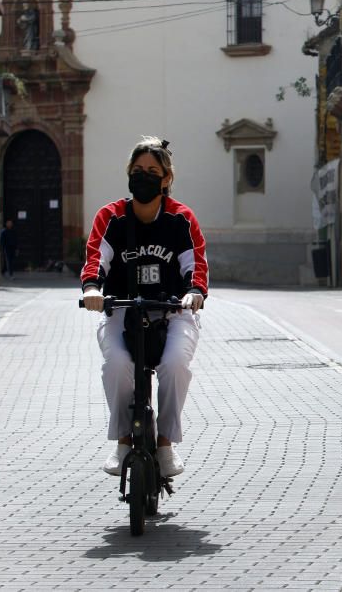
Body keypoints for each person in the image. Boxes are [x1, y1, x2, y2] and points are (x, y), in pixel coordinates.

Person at [80, 136, 208, 477]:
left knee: (175, 365)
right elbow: (96, 258)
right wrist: (92, 288)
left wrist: (194, 291)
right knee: (117, 365)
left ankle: (165, 445)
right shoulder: (110, 217)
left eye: (152, 170)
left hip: (173, 311)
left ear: (166, 178)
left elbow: (195, 265)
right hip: (121, 310)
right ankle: (123, 442)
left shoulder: (181, 219)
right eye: (137, 170)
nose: (144, 176)